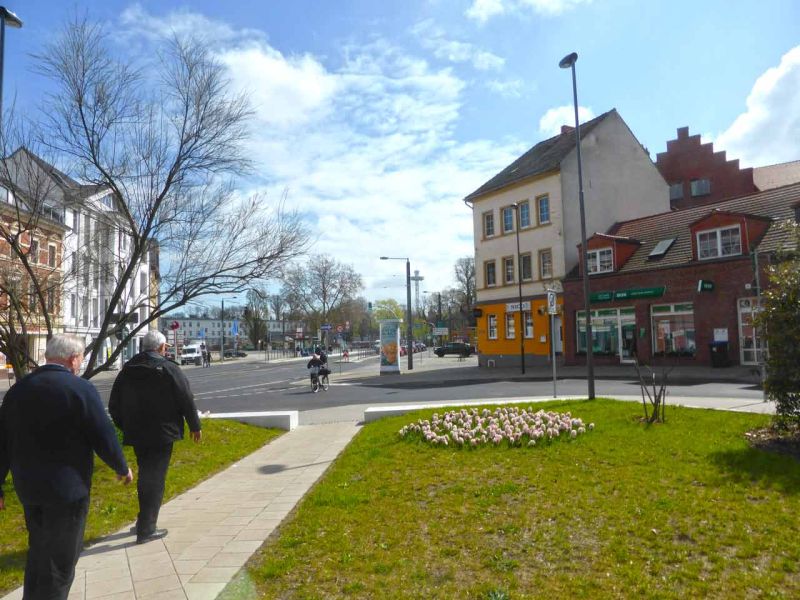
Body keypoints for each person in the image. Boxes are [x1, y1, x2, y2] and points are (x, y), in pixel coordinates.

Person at [0, 334, 133, 599]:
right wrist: (121, 466)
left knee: (38, 555)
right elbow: (102, 433)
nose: (81, 363)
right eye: (81, 358)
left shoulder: (18, 390)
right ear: (73, 359)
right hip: (67, 490)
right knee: (60, 564)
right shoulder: (79, 388)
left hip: (29, 489)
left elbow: (3, 440)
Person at [109, 330, 202, 545]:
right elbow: (185, 397)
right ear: (161, 348)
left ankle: (144, 521)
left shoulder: (128, 370)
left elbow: (114, 404)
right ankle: (147, 528)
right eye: (165, 347)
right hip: (163, 432)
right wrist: (194, 425)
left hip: (137, 432)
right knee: (155, 478)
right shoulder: (168, 368)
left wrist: (125, 425)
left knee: (146, 474)